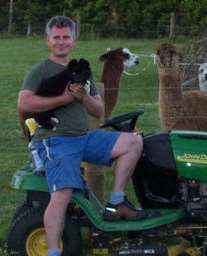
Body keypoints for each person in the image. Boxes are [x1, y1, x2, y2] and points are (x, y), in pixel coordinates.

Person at [17, 15, 145, 256]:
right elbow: (24, 101)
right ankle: (54, 251)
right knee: (62, 193)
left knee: (134, 141)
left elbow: (99, 109)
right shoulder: (39, 71)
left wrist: (82, 97)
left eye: (66, 37)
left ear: (74, 40)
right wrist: (63, 99)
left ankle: (116, 202)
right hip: (54, 141)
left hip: (84, 137)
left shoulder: (82, 71)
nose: (62, 42)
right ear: (48, 40)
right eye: (57, 37)